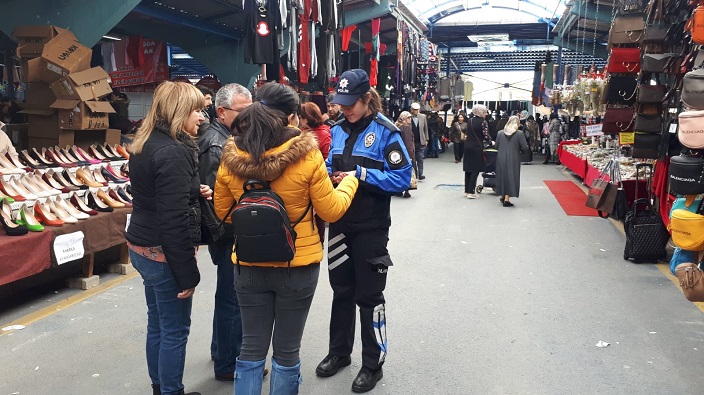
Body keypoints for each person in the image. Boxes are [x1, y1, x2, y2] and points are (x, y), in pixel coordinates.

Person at [213, 82, 359, 395]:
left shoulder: (230, 156)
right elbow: (330, 211)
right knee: (287, 351)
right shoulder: (307, 156)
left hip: (249, 264)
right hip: (298, 264)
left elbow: (223, 211)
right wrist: (350, 184)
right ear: (291, 117)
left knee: (250, 349)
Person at [316, 69, 412, 393]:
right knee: (341, 291)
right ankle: (339, 353)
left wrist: (359, 174)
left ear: (367, 99)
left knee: (369, 297)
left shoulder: (387, 132)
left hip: (371, 228)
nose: (344, 109)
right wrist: (327, 176)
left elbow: (402, 178)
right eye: (340, 103)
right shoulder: (337, 129)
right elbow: (330, 164)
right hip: (340, 223)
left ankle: (373, 364)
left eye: (350, 104)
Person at [125, 81, 210, 395]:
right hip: (163, 251)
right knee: (175, 330)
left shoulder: (147, 142)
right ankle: (171, 391)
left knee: (158, 323)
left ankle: (161, 388)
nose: (201, 117)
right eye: (196, 110)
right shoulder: (174, 151)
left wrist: (190, 190)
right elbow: (172, 220)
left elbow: (154, 194)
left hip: (141, 245)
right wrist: (187, 273)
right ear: (179, 111)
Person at [197, 83, 252, 382]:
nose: (248, 117)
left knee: (230, 296)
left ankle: (223, 352)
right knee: (233, 298)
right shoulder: (217, 145)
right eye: (242, 112)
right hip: (228, 232)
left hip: (227, 230)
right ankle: (228, 362)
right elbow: (216, 200)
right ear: (222, 111)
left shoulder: (226, 138)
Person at [298, 101, 333, 244]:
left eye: (302, 117)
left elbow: (327, 158)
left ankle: (319, 241)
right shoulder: (304, 132)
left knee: (317, 212)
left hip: (318, 178)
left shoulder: (323, 134)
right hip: (306, 179)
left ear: (308, 117)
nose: (299, 120)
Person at [495, 115, 529, 207]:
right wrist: (521, 152)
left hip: (501, 157)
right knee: (511, 176)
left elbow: (496, 146)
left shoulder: (500, 133)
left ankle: (503, 195)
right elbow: (524, 147)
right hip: (513, 158)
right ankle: (506, 199)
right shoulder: (519, 134)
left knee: (503, 175)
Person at [463, 105, 491, 199]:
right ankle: (471, 191)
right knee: (475, 169)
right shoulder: (483, 122)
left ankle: (467, 190)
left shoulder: (470, 120)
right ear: (481, 112)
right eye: (485, 112)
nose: (486, 114)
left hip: (467, 145)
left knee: (468, 169)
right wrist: (491, 143)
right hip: (477, 147)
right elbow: (486, 135)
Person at [395, 111, 414, 198]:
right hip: (406, 153)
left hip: (397, 154)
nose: (410, 119)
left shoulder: (397, 125)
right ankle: (406, 191)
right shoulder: (406, 128)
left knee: (399, 171)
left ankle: (399, 190)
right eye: (408, 118)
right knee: (407, 172)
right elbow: (408, 143)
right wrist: (410, 156)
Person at [409, 102, 428, 180]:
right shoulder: (408, 117)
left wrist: (426, 139)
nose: (417, 111)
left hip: (420, 141)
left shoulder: (423, 117)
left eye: (418, 110)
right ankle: (415, 174)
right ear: (412, 110)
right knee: (413, 159)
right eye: (415, 110)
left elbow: (425, 129)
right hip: (411, 142)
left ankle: (421, 174)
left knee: (420, 158)